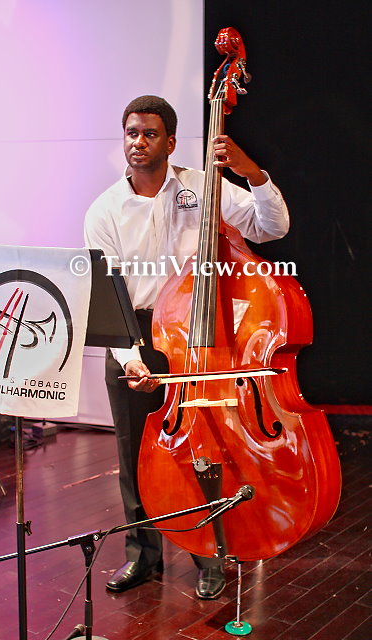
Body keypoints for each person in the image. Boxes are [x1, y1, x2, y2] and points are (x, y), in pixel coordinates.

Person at [84, 95, 289, 599]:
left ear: (171, 142)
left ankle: (209, 554)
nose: (138, 142)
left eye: (149, 134)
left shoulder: (204, 187)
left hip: (197, 337)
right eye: (131, 133)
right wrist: (131, 361)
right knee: (134, 454)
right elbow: (109, 294)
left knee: (202, 453)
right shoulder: (104, 210)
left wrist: (251, 173)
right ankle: (143, 556)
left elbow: (272, 227)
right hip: (135, 336)